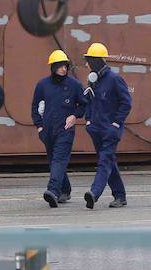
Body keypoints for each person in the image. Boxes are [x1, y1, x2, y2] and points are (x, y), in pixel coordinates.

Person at [81, 41, 131, 209]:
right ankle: (120, 196)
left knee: (104, 162)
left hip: (110, 131)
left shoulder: (115, 80)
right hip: (96, 130)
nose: (86, 64)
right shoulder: (92, 80)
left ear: (97, 61)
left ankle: (94, 193)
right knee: (109, 162)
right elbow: (89, 102)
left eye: (89, 60)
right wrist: (88, 120)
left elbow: (126, 103)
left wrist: (116, 124)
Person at [30, 49, 83, 208]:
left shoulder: (74, 85)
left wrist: (75, 115)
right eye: (60, 66)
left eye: (65, 66)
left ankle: (53, 191)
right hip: (47, 131)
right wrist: (39, 126)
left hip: (65, 130)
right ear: (53, 67)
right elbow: (35, 106)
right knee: (54, 161)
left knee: (59, 159)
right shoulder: (42, 85)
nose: (63, 69)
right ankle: (65, 190)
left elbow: (85, 104)